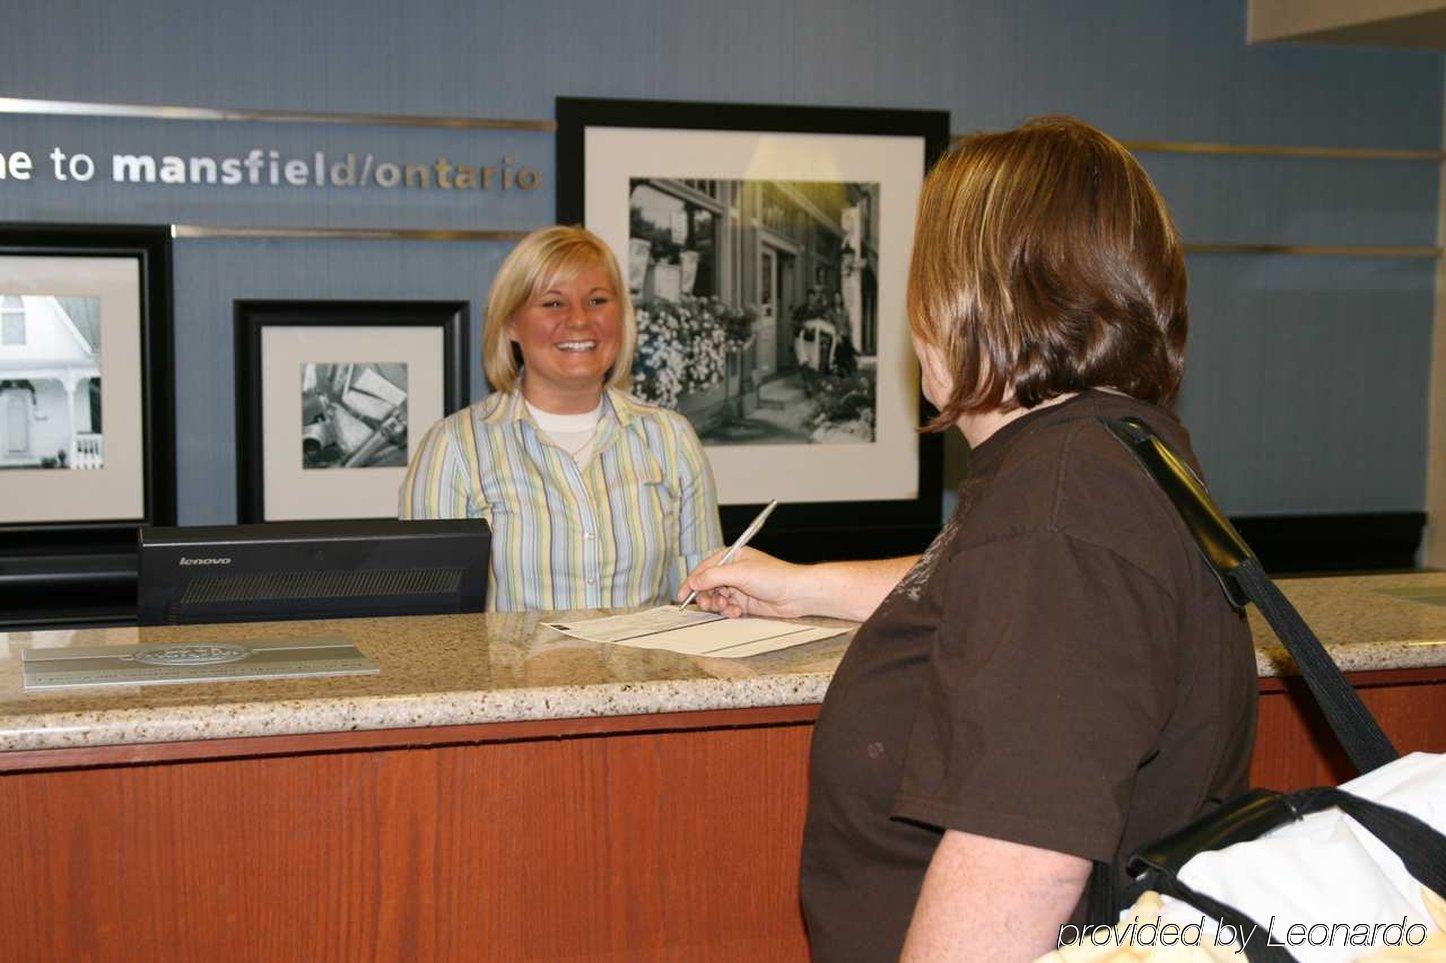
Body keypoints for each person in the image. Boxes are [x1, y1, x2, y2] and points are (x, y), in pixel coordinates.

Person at [680, 117, 1257, 962]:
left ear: (969, 295)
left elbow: (1023, 857)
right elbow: (990, 601)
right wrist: (807, 586)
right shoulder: (1111, 457)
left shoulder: (1062, 505)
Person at [401, 225, 723, 611]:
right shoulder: (454, 448)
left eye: (598, 300)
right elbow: (429, 626)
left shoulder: (670, 438)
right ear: (511, 324)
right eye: (554, 303)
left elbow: (702, 605)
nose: (579, 321)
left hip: (647, 672)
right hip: (509, 674)